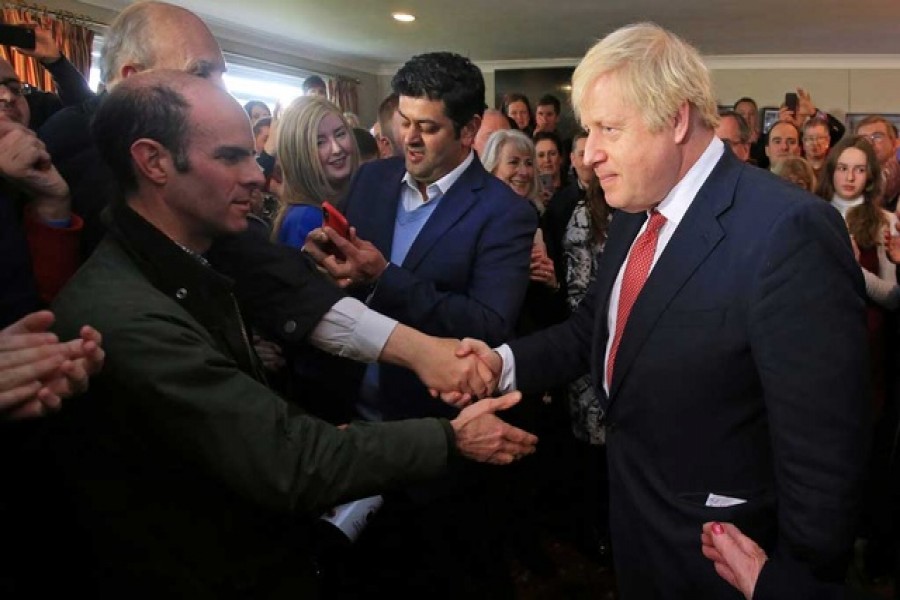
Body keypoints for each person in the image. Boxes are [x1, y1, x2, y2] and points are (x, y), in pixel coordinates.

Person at [48, 70, 536, 596]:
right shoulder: (126, 312)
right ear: (153, 162)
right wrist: (450, 437)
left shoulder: (193, 257)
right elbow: (287, 458)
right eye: (231, 157)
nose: (258, 177)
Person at [455, 22, 869, 598]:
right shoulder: (635, 208)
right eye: (588, 130)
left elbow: (824, 452)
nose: (590, 153)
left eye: (609, 128)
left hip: (728, 556)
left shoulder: (787, 230)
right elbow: (595, 328)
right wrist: (501, 364)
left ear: (676, 120)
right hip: (637, 520)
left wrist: (793, 582)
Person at [304, 51, 536, 598]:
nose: (408, 139)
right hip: (349, 424)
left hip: (436, 438)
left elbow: (489, 323)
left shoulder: (504, 212)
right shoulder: (372, 180)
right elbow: (349, 284)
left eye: (428, 128)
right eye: (404, 122)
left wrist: (385, 277)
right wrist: (330, 263)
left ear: (469, 130)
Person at [272, 96, 358, 247]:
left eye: (340, 134)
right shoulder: (307, 219)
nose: (337, 149)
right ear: (298, 156)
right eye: (320, 142)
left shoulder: (339, 205)